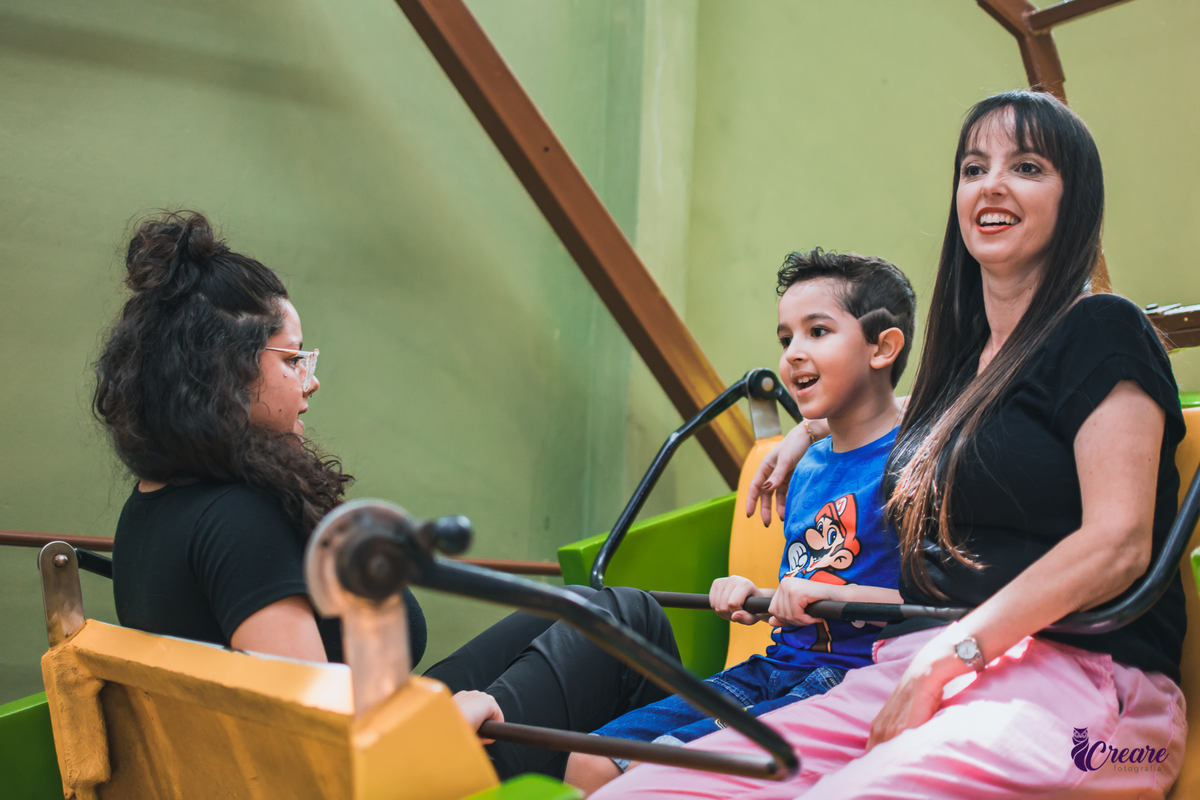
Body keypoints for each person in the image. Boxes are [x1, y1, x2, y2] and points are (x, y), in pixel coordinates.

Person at [590, 90, 1188, 799]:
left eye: (1027, 167)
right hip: (919, 659)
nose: (992, 184)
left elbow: (1119, 543)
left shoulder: (1102, 329)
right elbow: (910, 412)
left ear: (1075, 199)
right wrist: (806, 429)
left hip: (1083, 678)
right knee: (641, 790)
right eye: (974, 169)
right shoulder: (960, 370)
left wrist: (954, 651)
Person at [93, 211, 680, 780]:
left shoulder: (148, 508)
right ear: (225, 372)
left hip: (363, 742)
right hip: (396, 775)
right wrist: (445, 720)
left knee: (590, 607)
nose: (311, 380)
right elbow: (313, 752)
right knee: (629, 622)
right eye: (293, 359)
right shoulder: (240, 522)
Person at [564, 248, 917, 794]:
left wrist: (831, 595)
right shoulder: (806, 466)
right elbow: (803, 581)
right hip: (775, 666)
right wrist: (755, 596)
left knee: (654, 779)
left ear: (883, 347)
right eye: (785, 338)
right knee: (589, 762)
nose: (793, 354)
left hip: (851, 679)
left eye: (818, 331)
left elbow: (938, 605)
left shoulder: (917, 460)